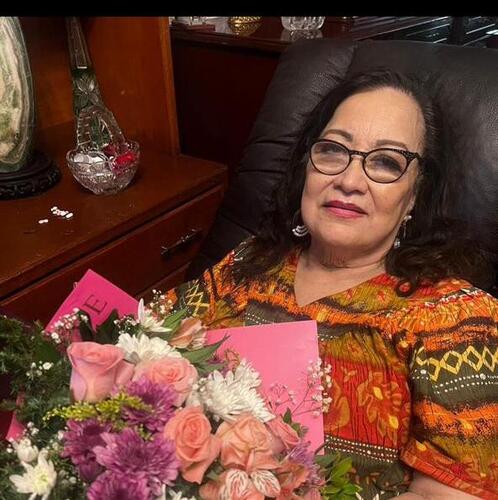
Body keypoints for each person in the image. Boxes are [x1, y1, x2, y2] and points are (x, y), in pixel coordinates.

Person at [163, 69, 498, 499]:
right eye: (333, 150)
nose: (349, 180)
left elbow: (452, 493)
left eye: (386, 162)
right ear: (307, 165)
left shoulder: (456, 319)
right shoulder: (248, 262)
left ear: (415, 194)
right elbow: (147, 343)